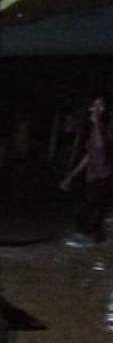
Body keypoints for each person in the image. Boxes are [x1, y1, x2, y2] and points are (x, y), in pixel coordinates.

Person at [60, 95, 112, 245]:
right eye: (95, 105)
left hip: (105, 175)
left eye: (100, 105)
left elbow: (102, 147)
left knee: (92, 208)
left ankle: (90, 236)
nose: (97, 108)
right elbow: (89, 156)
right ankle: (90, 236)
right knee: (90, 207)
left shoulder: (106, 127)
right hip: (92, 176)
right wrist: (71, 176)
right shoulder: (91, 129)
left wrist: (96, 123)